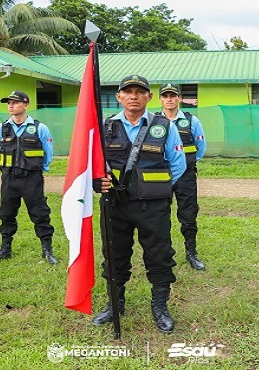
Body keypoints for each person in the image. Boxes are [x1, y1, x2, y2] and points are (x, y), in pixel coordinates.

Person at [91, 75, 186, 333]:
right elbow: (94, 165)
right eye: (128, 91)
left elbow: (178, 165)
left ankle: (160, 306)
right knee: (114, 255)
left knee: (159, 255)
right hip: (115, 206)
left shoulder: (164, 126)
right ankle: (115, 303)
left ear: (149, 97)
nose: (134, 96)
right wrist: (97, 183)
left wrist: (153, 188)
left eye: (139, 91)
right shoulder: (105, 126)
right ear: (119, 96)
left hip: (152, 207)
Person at [0, 91, 57, 264]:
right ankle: (5, 249)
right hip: (9, 178)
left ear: (26, 105)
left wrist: (38, 169)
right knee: (6, 213)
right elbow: (0, 147)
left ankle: (47, 250)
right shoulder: (2, 128)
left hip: (31, 178)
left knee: (40, 213)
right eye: (9, 102)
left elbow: (48, 152)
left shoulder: (39, 127)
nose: (11, 105)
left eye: (15, 102)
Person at [157, 83, 207, 270]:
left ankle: (191, 253)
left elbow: (200, 148)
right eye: (165, 96)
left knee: (188, 214)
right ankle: (164, 254)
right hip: (161, 176)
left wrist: (187, 163)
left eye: (173, 95)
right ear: (160, 99)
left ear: (179, 98)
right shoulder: (154, 121)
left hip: (186, 176)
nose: (169, 99)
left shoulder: (191, 120)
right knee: (160, 214)